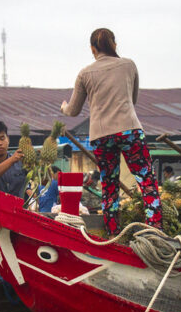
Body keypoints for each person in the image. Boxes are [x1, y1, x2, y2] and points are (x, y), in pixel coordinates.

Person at [61, 27, 162, 235]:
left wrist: (63, 107)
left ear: (92, 48)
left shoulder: (85, 73)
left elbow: (73, 111)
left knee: (109, 186)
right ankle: (155, 229)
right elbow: (132, 101)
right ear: (114, 44)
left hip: (101, 136)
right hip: (129, 130)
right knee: (146, 180)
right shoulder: (129, 65)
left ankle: (113, 234)